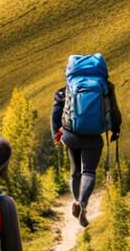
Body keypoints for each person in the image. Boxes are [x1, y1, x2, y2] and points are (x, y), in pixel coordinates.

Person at [51, 53, 122, 227]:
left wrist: (56, 134)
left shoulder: (66, 88)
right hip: (93, 136)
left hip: (71, 134)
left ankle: (75, 200)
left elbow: (55, 113)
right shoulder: (106, 86)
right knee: (88, 171)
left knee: (75, 171)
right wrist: (116, 129)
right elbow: (114, 111)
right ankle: (82, 203)